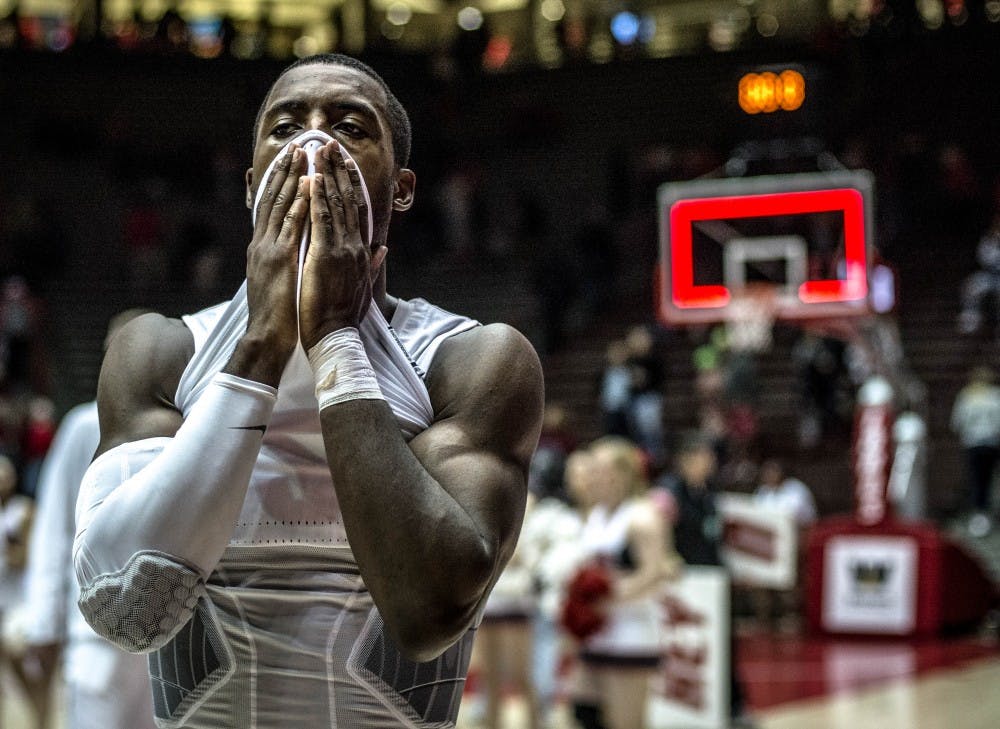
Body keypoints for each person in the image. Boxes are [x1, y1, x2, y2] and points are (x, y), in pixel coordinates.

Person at [72, 53, 544, 728]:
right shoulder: (160, 350)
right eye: (286, 126)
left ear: (402, 189)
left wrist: (334, 339)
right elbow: (123, 611)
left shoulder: (471, 361)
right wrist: (261, 347)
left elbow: (428, 614)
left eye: (350, 127)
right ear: (250, 184)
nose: (314, 146)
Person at [21, 311, 156, 729]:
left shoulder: (180, 424)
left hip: (162, 636)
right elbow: (54, 527)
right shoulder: (83, 425)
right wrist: (44, 621)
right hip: (95, 637)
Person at [570, 436, 679, 729]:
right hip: (597, 631)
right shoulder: (596, 514)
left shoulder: (642, 515)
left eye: (598, 469)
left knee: (625, 722)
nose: (591, 476)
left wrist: (610, 595)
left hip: (631, 632)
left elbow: (656, 572)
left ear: (621, 474)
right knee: (585, 712)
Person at [950, 366, 1000, 537]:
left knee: (978, 479)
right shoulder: (994, 396)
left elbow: (957, 422)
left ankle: (980, 514)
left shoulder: (967, 396)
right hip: (990, 443)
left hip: (974, 443)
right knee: (985, 479)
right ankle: (982, 513)